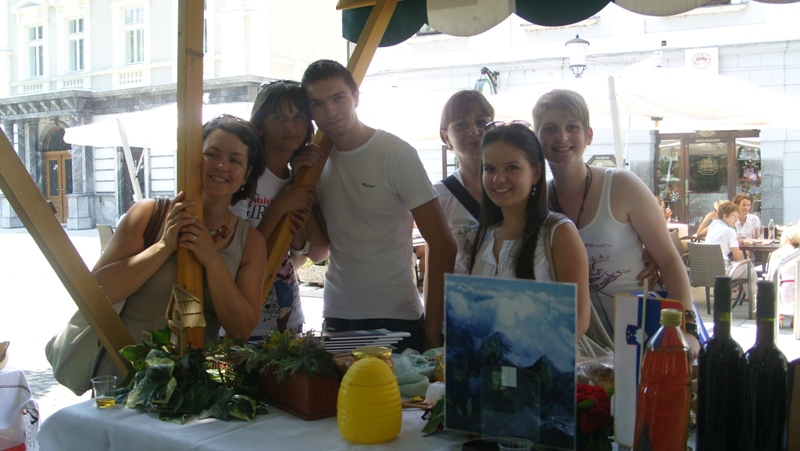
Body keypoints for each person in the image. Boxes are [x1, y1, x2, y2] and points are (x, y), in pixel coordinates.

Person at [92, 114, 267, 378]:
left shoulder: (250, 242)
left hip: (192, 384)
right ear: (192, 158)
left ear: (246, 175)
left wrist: (211, 259)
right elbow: (97, 293)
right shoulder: (148, 214)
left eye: (235, 160)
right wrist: (163, 246)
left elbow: (241, 329)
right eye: (212, 154)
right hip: (122, 372)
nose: (221, 166)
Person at [300, 59, 457, 351]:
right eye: (317, 104)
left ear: (356, 97)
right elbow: (320, 248)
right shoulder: (314, 163)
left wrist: (433, 329)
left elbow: (443, 244)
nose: (330, 110)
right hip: (336, 314)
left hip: (395, 316)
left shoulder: (395, 153)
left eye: (338, 98)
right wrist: (299, 183)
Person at [532, 89, 700, 357]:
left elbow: (668, 259)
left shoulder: (622, 185)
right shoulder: (536, 200)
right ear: (536, 137)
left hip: (643, 333)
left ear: (589, 135)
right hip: (581, 344)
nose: (561, 137)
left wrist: (688, 329)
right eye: (550, 128)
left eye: (572, 127)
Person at [468, 122, 590, 337]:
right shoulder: (484, 236)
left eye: (512, 167)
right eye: (489, 169)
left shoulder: (559, 233)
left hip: (544, 357)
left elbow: (578, 321)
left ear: (536, 172)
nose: (498, 178)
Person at [230, 80, 328, 336]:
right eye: (279, 116)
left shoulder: (296, 179)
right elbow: (235, 255)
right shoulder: (243, 177)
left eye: (298, 116)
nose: (290, 126)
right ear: (259, 126)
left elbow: (316, 253)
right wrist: (281, 206)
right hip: (240, 323)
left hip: (288, 321)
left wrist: (298, 184)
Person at [435, 90, 494, 274]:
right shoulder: (439, 195)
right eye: (461, 125)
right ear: (446, 137)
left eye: (481, 122)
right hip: (464, 291)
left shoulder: (513, 185)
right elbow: (436, 261)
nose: (474, 131)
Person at [705, 201, 758, 302]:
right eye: (734, 217)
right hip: (723, 272)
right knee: (750, 270)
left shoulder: (713, 224)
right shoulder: (730, 231)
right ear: (725, 216)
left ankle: (747, 296)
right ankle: (756, 303)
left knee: (747, 267)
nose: (736, 220)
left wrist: (735, 242)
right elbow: (737, 257)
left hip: (706, 271)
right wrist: (742, 252)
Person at [770, 225, 800, 328]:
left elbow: (771, 275)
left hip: (784, 293)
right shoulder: (797, 253)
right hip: (797, 293)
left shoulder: (777, 253)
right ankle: (795, 318)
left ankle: (780, 315)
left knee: (777, 282)